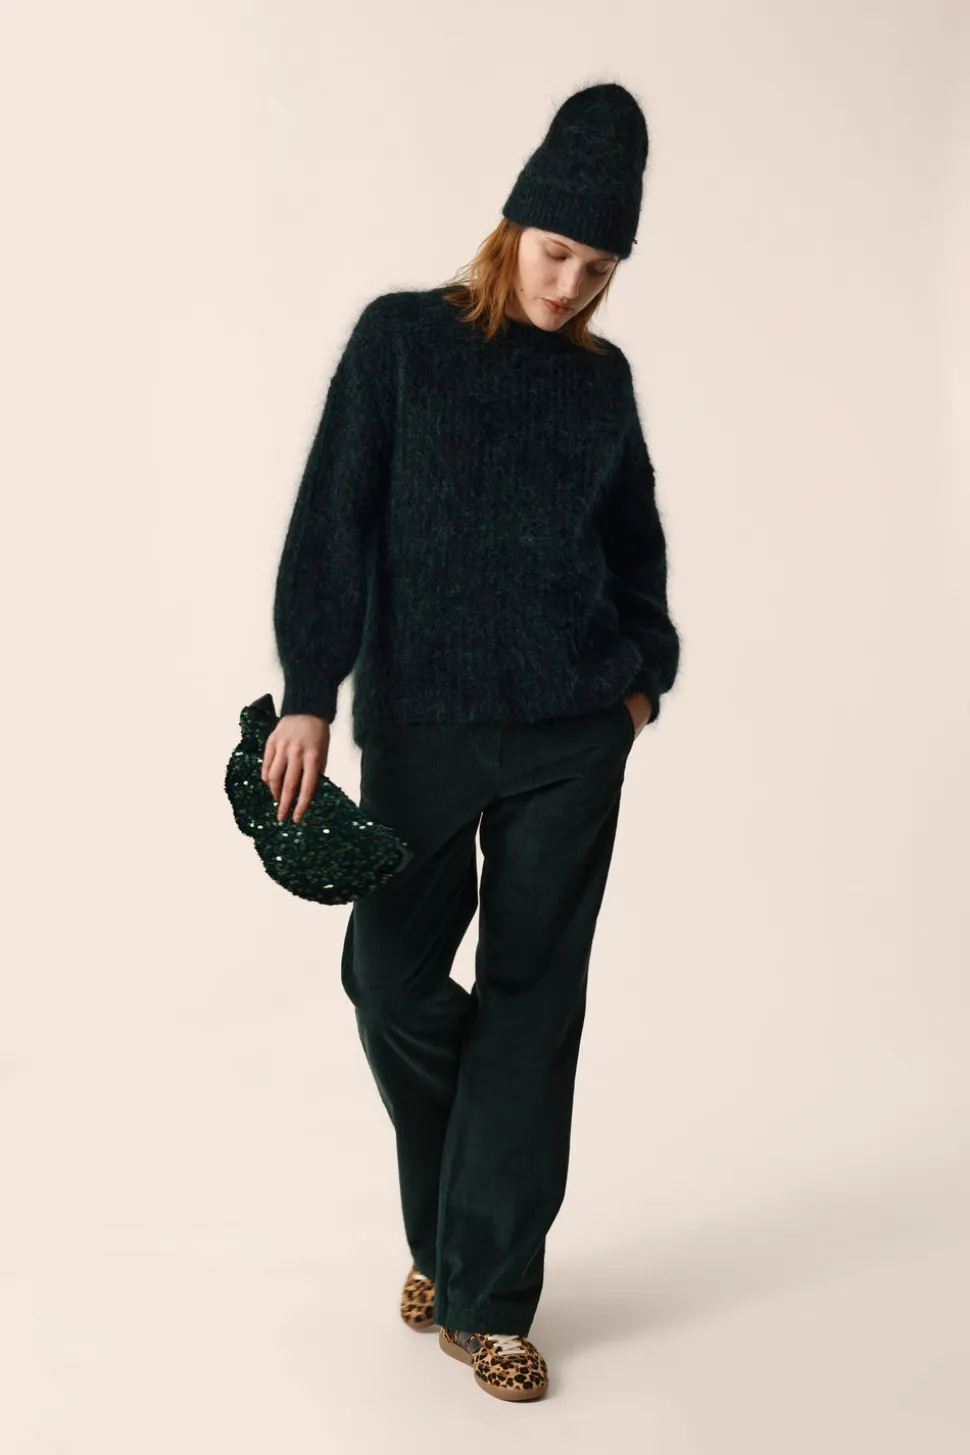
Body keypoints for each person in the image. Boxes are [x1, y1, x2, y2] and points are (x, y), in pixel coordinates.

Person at [262, 81, 680, 1403]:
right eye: (557, 252)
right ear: (513, 227)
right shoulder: (402, 340)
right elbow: (335, 513)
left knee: (532, 1006)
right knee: (387, 982)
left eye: (599, 267)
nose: (571, 286)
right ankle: (455, 1228)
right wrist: (309, 688)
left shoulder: (601, 384)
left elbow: (635, 551)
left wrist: (639, 686)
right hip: (422, 726)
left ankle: (487, 1297)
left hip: (571, 736)